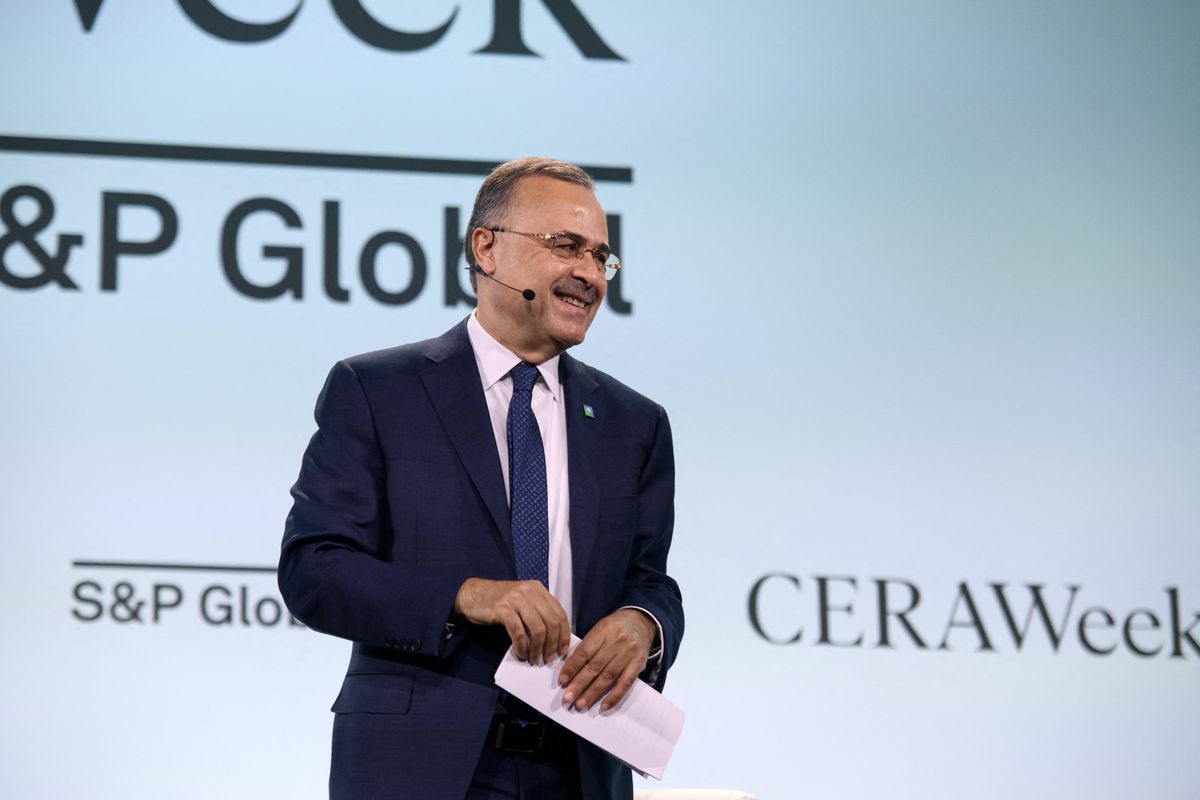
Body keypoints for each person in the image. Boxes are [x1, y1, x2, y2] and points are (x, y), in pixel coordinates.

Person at [279, 156, 683, 799]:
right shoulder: (380, 390)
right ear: (486, 249)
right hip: (421, 768)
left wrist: (643, 624)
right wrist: (469, 595)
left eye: (600, 257)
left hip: (578, 771)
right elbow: (315, 570)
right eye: (566, 246)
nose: (588, 274)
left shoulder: (634, 424)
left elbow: (649, 578)